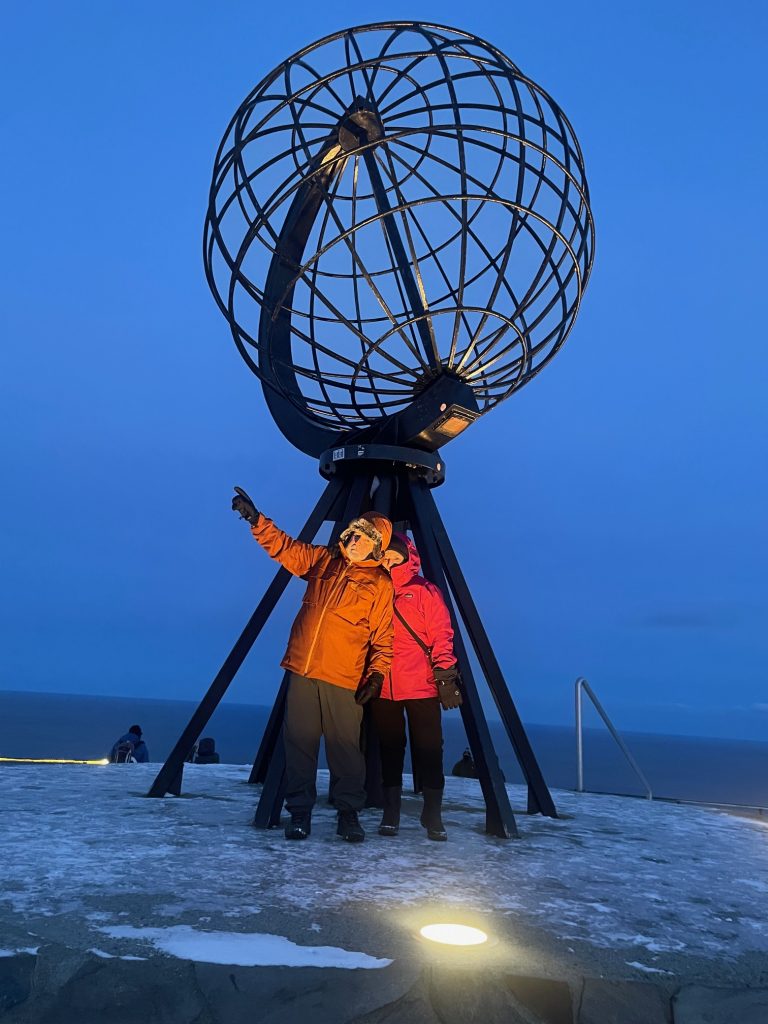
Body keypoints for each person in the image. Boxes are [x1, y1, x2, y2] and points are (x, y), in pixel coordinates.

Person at [231, 487, 394, 843]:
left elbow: (383, 636)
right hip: (302, 669)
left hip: (343, 677)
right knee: (299, 746)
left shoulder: (380, 583)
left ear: (376, 546)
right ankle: (300, 814)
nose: (354, 540)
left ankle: (348, 815)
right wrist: (256, 520)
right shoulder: (324, 560)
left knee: (345, 751)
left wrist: (377, 675)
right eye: (353, 533)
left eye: (363, 537)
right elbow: (286, 549)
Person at [370, 534, 462, 841]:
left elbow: (442, 635)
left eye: (395, 556)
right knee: (390, 749)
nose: (389, 561)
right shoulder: (375, 589)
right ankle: (391, 811)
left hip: (421, 685)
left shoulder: (425, 591)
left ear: (408, 557)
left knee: (430, 749)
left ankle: (433, 813)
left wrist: (445, 674)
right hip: (384, 686)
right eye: (385, 556)